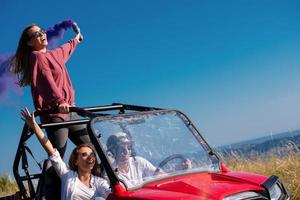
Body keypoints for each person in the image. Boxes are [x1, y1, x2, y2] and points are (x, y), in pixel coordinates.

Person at [12, 23, 90, 158]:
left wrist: (77, 39)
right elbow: (45, 80)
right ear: (30, 43)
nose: (42, 34)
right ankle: (49, 179)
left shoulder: (54, 55)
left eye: (42, 31)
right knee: (57, 157)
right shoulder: (36, 57)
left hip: (70, 111)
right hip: (55, 114)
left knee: (91, 149)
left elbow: (66, 48)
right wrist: (58, 101)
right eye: (36, 34)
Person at [21, 108, 110, 200]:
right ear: (75, 161)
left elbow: (114, 194)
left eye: (92, 154)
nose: (90, 157)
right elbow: (50, 150)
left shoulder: (100, 182)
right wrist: (34, 126)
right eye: (84, 155)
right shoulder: (67, 175)